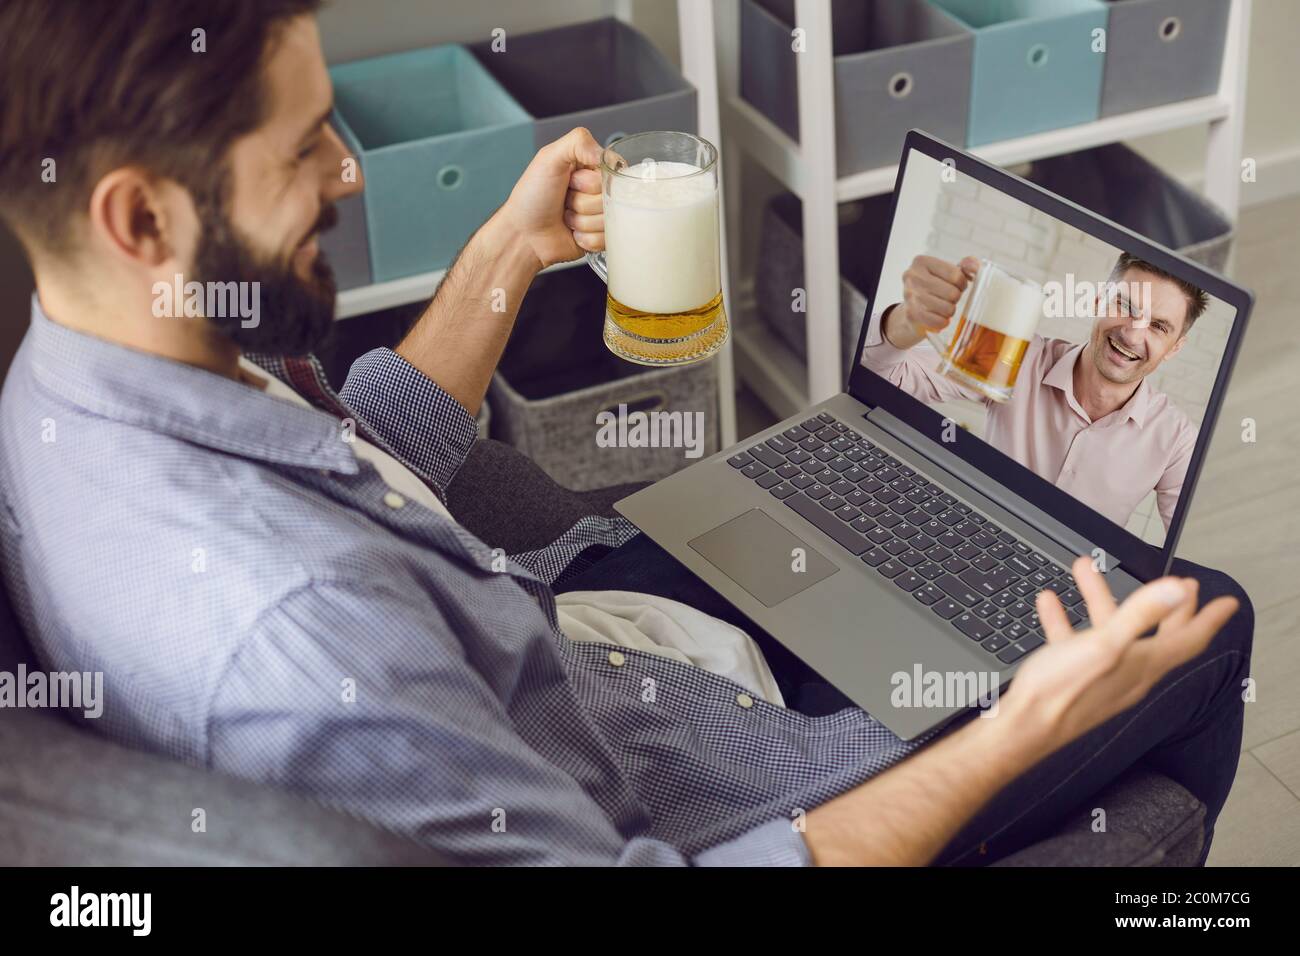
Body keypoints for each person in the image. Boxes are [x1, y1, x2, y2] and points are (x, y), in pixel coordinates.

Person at [0, 0, 1250, 865]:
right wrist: (1022, 722)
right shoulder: (303, 637)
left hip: (579, 621)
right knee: (1198, 613)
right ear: (139, 217)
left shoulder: (72, 383)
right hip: (707, 782)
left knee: (856, 500)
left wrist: (509, 252)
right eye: (301, 147)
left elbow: (373, 451)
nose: (348, 172)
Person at [862, 253, 1205, 531]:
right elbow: (882, 377)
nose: (1132, 335)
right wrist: (908, 320)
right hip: (973, 540)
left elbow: (1186, 549)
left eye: (1158, 327)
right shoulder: (1017, 358)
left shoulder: (1176, 438)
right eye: (1125, 307)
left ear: (1174, 347)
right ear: (1099, 301)